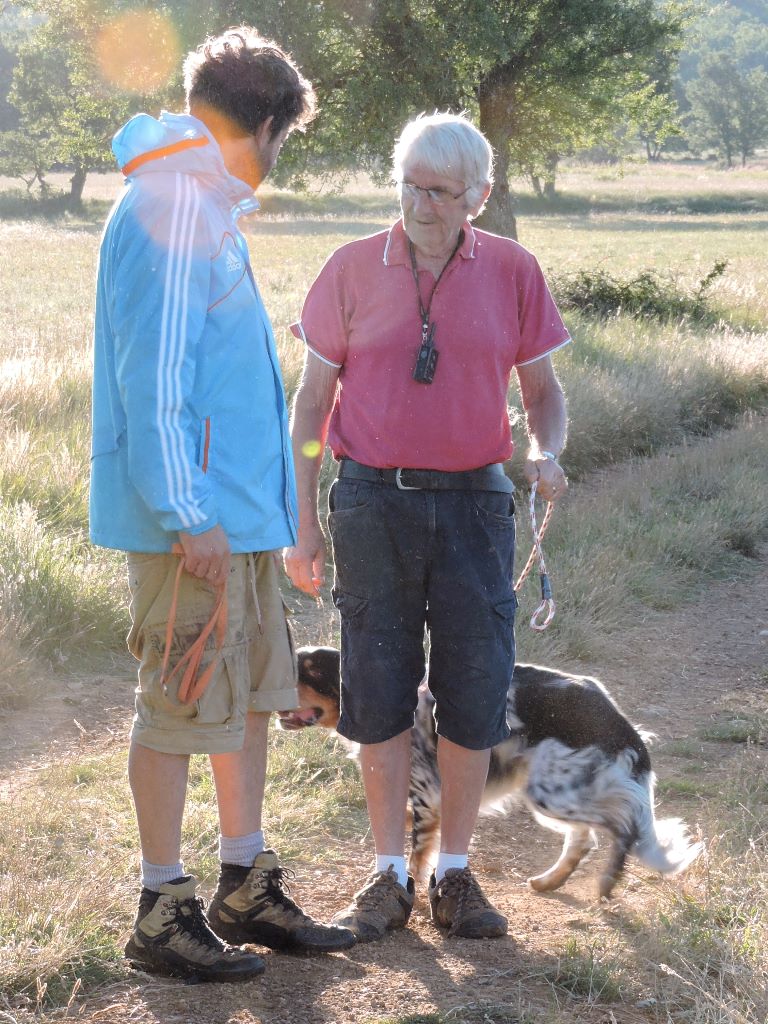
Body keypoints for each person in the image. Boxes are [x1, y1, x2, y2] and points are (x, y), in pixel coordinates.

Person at [90, 27, 355, 983]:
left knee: (246, 701)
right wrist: (185, 511)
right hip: (192, 523)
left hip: (237, 518)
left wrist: (255, 519)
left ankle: (245, 882)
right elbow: (154, 377)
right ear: (268, 122)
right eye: (286, 135)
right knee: (177, 701)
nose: (283, 156)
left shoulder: (206, 204)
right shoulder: (171, 205)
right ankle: (163, 910)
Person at [285, 112, 570, 942]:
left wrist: (544, 452)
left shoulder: (515, 271)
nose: (419, 204)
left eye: (439, 192)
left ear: (477, 197)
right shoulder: (348, 268)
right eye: (408, 185)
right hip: (371, 500)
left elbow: (544, 394)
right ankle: (384, 879)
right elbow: (310, 407)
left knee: (474, 687)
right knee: (375, 688)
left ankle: (454, 875)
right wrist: (302, 523)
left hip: (478, 505)